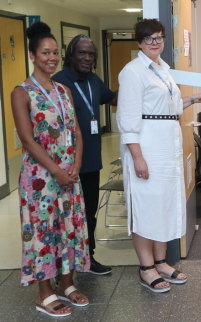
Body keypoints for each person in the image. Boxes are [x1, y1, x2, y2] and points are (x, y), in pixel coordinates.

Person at [117, 18, 201, 293]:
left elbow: (168, 107)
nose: (155, 42)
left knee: (163, 204)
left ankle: (161, 262)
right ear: (139, 42)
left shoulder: (163, 69)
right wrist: (137, 156)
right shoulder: (133, 72)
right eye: (149, 39)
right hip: (146, 147)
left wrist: (195, 99)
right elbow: (128, 118)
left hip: (167, 147)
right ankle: (146, 268)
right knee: (146, 206)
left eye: (159, 37)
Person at [11, 21, 89, 317]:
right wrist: (56, 170)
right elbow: (28, 141)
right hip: (41, 178)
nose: (52, 57)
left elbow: (77, 132)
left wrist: (76, 164)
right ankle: (44, 293)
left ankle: (67, 284)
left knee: (69, 228)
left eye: (56, 52)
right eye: (45, 52)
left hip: (70, 174)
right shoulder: (22, 92)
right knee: (43, 232)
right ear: (32, 55)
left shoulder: (64, 90)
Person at [53, 34, 117, 275]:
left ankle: (87, 259)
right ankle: (63, 264)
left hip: (90, 160)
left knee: (89, 211)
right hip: (65, 162)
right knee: (65, 213)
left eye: (91, 54)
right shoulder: (58, 81)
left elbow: (113, 99)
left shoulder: (93, 80)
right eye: (81, 53)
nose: (87, 58)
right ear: (70, 55)